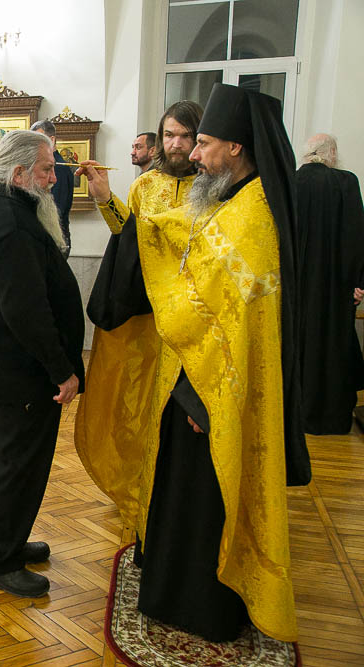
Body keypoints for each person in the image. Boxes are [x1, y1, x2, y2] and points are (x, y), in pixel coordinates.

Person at [75, 83, 311, 643]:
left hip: (210, 388)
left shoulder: (250, 215)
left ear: (235, 147)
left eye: (201, 141)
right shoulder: (231, 197)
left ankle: (198, 603)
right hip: (194, 375)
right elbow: (177, 241)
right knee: (180, 489)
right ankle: (174, 585)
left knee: (202, 499)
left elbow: (224, 311)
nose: (191, 151)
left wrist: (198, 398)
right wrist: (122, 210)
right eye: (180, 138)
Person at [0, 130, 84, 598]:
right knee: (19, 467)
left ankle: (8, 541)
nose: (55, 179)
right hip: (22, 372)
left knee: (17, 463)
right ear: (19, 174)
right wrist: (62, 370)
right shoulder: (10, 223)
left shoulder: (3, 207)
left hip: (11, 367)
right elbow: (26, 313)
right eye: (47, 169)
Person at [75, 100, 203, 470]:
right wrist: (104, 198)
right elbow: (128, 235)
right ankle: (139, 472)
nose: (175, 144)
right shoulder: (146, 185)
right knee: (139, 396)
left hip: (192, 314)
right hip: (146, 313)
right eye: (169, 135)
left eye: (185, 136)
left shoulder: (211, 185)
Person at [295, 133, 364, 434]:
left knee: (297, 346)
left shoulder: (290, 182)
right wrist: (359, 283)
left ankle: (293, 417)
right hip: (336, 291)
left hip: (295, 290)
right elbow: (357, 236)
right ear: (331, 154)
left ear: (307, 154)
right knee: (334, 347)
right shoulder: (346, 182)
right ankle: (331, 418)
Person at [31, 120, 75, 257]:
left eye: (39, 139)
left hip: (55, 238)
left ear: (51, 140)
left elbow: (57, 208)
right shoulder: (47, 163)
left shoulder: (58, 167)